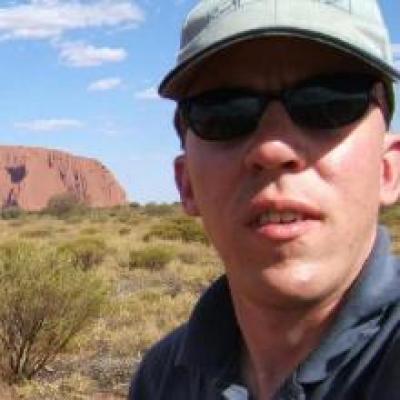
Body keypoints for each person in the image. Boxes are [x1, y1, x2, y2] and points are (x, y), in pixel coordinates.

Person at [129, 0, 400, 399]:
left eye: (329, 102)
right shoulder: (163, 379)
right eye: (225, 112)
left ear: (388, 170)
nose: (272, 149)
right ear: (187, 186)